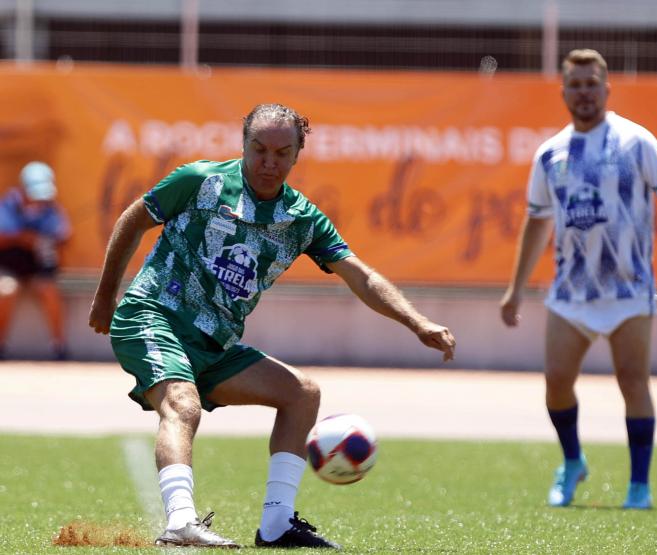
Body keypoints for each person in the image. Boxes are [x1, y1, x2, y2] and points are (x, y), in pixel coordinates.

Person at [88, 103, 456, 549]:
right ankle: (181, 520)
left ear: (297, 155)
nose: (268, 161)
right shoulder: (199, 181)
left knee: (302, 393)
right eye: (258, 149)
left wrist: (416, 322)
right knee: (183, 404)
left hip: (214, 344)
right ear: (242, 145)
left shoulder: (302, 220)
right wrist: (106, 297)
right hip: (153, 313)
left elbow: (361, 276)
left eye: (281, 153)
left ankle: (277, 525)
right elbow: (133, 220)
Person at [499, 49, 657, 510]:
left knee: (633, 381)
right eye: (576, 85)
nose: (584, 92)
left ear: (607, 89)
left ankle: (639, 486)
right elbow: (536, 221)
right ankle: (573, 461)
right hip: (571, 293)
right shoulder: (550, 153)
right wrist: (515, 288)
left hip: (629, 290)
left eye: (592, 84)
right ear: (564, 92)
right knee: (555, 381)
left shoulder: (636, 141)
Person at [0, 161, 71, 360]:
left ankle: (60, 346)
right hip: (8, 267)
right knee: (6, 289)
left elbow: (64, 237)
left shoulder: (53, 209)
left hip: (38, 268)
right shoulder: (6, 206)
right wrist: (22, 238)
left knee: (48, 289)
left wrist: (50, 241)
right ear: (23, 189)